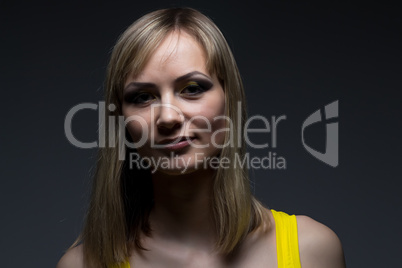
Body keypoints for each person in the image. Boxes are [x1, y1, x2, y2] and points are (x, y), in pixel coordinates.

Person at [57, 7, 346, 268]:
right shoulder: (84, 265)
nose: (168, 117)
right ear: (121, 119)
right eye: (142, 97)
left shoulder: (312, 251)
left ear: (230, 99)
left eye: (192, 88)